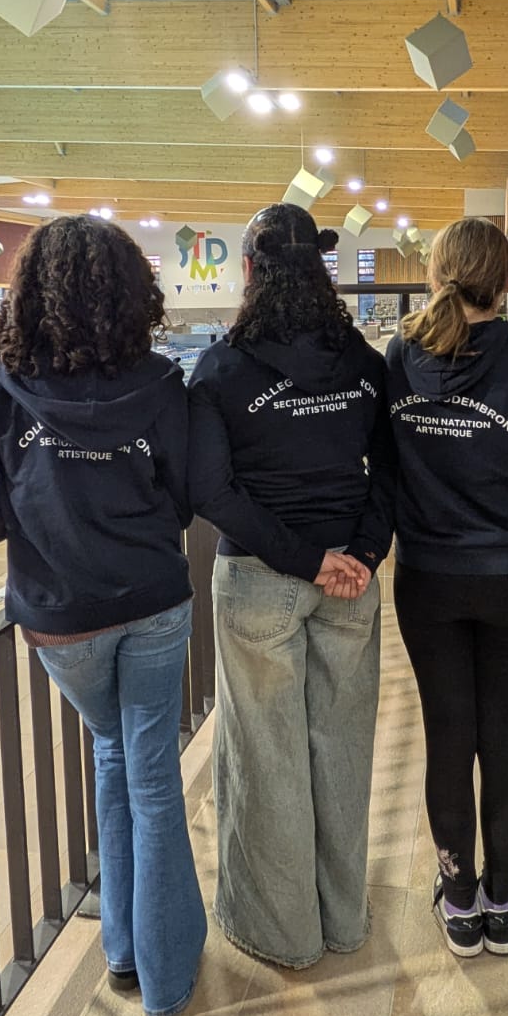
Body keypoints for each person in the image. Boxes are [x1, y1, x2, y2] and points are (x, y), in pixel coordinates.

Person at [0, 215, 206, 1016]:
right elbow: (185, 497)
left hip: (62, 617)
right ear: (131, 293)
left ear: (32, 291)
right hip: (152, 601)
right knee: (151, 774)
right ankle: (164, 976)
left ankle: (122, 951)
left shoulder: (3, 380)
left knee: (113, 754)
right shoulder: (160, 382)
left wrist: (42, 504)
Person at [187, 203, 395, 969]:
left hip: (259, 580)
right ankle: (343, 919)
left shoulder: (220, 370)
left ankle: (283, 933)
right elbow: (391, 470)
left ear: (249, 270)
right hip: (351, 580)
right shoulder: (362, 363)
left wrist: (304, 560)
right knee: (342, 750)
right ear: (321, 272)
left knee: (266, 756)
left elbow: (212, 491)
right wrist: (360, 553)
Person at [386, 217, 508, 958]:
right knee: (503, 738)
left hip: (428, 577)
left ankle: (459, 902)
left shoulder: (400, 356)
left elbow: (386, 458)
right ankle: (502, 901)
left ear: (434, 277)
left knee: (448, 737)